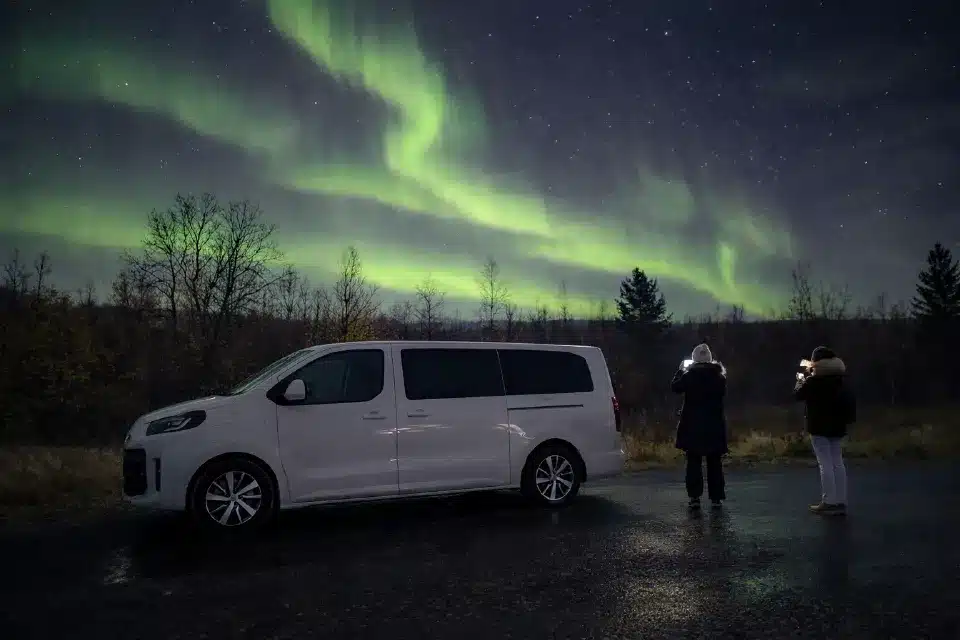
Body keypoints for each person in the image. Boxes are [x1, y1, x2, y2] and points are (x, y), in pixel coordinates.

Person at [794, 345, 856, 516]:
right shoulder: (841, 379)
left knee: (825, 463)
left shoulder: (814, 381)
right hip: (838, 425)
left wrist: (800, 379)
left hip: (819, 426)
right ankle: (840, 500)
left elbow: (798, 395)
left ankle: (829, 501)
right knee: (837, 462)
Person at [671, 343, 728, 511]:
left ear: (694, 359)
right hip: (714, 426)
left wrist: (681, 370)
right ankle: (716, 498)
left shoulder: (689, 376)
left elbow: (675, 387)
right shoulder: (719, 377)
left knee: (694, 463)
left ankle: (694, 497)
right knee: (715, 463)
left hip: (693, 426)